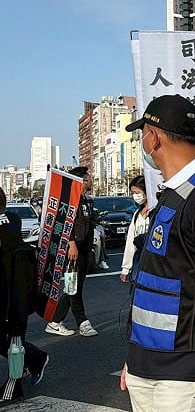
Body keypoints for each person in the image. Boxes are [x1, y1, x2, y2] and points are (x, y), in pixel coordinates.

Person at [120, 94, 195, 411]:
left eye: (142, 134)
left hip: (182, 373)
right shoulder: (172, 194)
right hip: (145, 364)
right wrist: (135, 357)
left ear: (153, 138)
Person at [0, 187, 49, 403]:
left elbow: (21, 293)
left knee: (15, 344)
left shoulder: (18, 253)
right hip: (8, 304)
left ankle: (15, 384)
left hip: (13, 306)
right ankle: (36, 358)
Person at [46, 166, 98, 337]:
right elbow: (64, 223)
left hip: (84, 249)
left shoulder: (86, 200)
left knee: (73, 286)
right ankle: (83, 322)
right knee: (73, 285)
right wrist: (71, 244)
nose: (91, 181)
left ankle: (55, 321)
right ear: (81, 181)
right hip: (72, 251)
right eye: (88, 179)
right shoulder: (71, 200)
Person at [120, 176, 149, 284]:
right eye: (132, 193)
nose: (135, 196)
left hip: (153, 262)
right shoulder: (137, 214)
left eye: (137, 192)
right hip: (138, 261)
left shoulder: (157, 211)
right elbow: (130, 242)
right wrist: (125, 268)